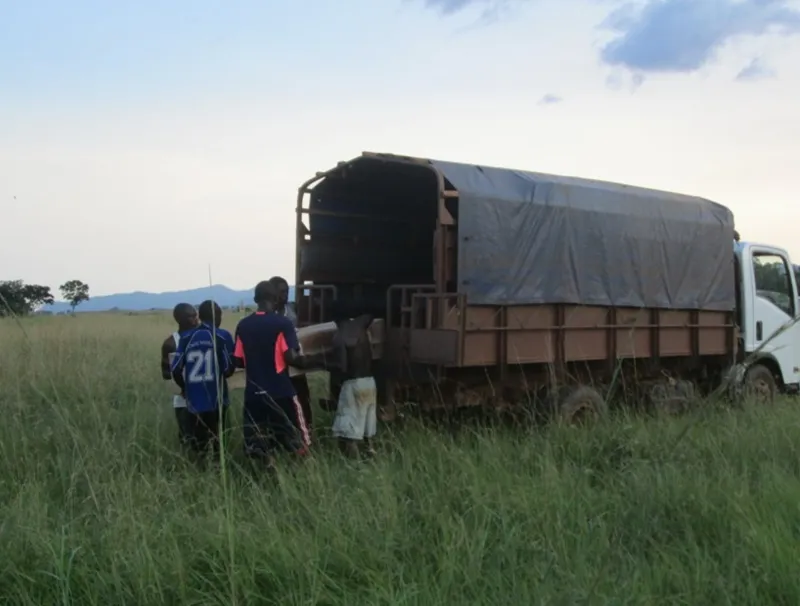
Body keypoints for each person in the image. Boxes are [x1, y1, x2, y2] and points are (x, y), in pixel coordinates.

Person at [233, 280, 321, 468]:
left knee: (259, 440)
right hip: (281, 392)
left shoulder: (243, 325)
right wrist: (316, 360)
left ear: (255, 299)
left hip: (253, 395)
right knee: (297, 438)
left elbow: (238, 360)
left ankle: (269, 469)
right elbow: (291, 357)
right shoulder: (283, 324)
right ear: (275, 299)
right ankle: (308, 472)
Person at [170, 315, 235, 461]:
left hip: (195, 399)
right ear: (216, 316)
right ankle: (219, 467)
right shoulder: (221, 336)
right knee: (219, 439)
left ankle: (202, 467)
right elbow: (228, 369)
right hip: (217, 398)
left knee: (199, 442)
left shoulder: (186, 337)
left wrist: (185, 389)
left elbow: (175, 370)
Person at [268, 276, 313, 433]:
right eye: (281, 292)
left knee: (303, 401)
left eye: (286, 291)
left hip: (296, 365)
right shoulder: (268, 314)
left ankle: (307, 433)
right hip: (279, 368)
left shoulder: (293, 309)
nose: (284, 295)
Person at [330, 313, 378, 458]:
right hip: (370, 383)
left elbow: (341, 367)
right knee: (367, 432)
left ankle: (354, 465)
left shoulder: (340, 336)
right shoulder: (362, 328)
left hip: (353, 385)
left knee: (347, 434)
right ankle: (371, 456)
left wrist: (317, 363)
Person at [160, 303, 198, 447]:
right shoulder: (171, 343)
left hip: (205, 397)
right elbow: (165, 373)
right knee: (186, 438)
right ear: (180, 319)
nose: (196, 319)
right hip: (183, 399)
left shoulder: (203, 337)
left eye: (196, 315)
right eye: (191, 317)